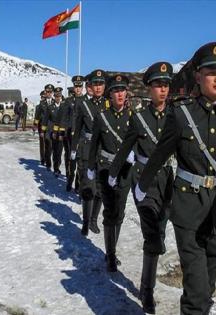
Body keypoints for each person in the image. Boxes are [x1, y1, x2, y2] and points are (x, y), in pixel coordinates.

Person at [135, 42, 216, 315]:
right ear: (198, 77)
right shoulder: (182, 114)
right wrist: (142, 186)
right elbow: (158, 155)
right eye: (211, 72)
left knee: (208, 286)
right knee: (197, 292)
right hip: (189, 211)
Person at [108, 62, 174, 313]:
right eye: (158, 85)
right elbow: (125, 148)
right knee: (152, 233)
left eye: (166, 85)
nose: (163, 90)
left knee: (160, 230)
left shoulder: (176, 116)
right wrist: (113, 173)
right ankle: (148, 290)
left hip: (168, 180)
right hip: (143, 181)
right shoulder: (139, 119)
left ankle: (147, 281)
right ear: (148, 89)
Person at [87, 74, 133, 272]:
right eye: (116, 90)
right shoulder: (101, 117)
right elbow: (94, 144)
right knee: (110, 212)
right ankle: (110, 255)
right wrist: (90, 167)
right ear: (110, 94)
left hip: (125, 171)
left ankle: (112, 249)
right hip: (106, 169)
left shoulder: (133, 117)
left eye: (122, 90)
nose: (120, 94)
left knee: (120, 213)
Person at [71, 70, 108, 236]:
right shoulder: (83, 104)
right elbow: (78, 128)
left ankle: (94, 220)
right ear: (91, 86)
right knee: (88, 188)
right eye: (95, 84)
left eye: (101, 84)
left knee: (100, 189)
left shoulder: (109, 104)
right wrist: (73, 148)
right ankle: (86, 222)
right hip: (87, 150)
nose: (98, 87)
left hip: (104, 150)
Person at [60, 75, 85, 191]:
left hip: (82, 136)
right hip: (70, 136)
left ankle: (78, 185)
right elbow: (64, 118)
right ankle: (69, 181)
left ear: (83, 87)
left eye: (80, 86)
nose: (78, 89)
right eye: (76, 86)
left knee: (80, 162)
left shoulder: (86, 101)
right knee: (71, 160)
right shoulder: (68, 101)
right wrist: (62, 132)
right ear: (74, 87)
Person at [42, 87, 64, 176]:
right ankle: (56, 168)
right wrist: (44, 132)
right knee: (54, 151)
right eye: (56, 96)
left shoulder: (65, 106)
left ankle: (57, 165)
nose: (58, 98)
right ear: (54, 96)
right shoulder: (50, 107)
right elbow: (45, 119)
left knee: (60, 151)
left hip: (62, 132)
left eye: (59, 96)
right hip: (53, 133)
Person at [41, 84, 55, 170]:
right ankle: (48, 164)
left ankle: (55, 164)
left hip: (55, 128)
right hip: (46, 128)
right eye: (47, 92)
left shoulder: (56, 102)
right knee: (48, 147)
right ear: (45, 92)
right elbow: (40, 116)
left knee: (55, 147)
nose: (49, 93)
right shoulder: (42, 103)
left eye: (50, 92)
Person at [33, 91, 47, 165]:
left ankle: (47, 158)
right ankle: (42, 159)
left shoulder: (49, 105)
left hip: (48, 127)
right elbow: (36, 117)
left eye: (44, 97)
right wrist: (35, 125)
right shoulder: (38, 106)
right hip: (41, 127)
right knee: (42, 143)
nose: (43, 98)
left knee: (48, 143)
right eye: (42, 97)